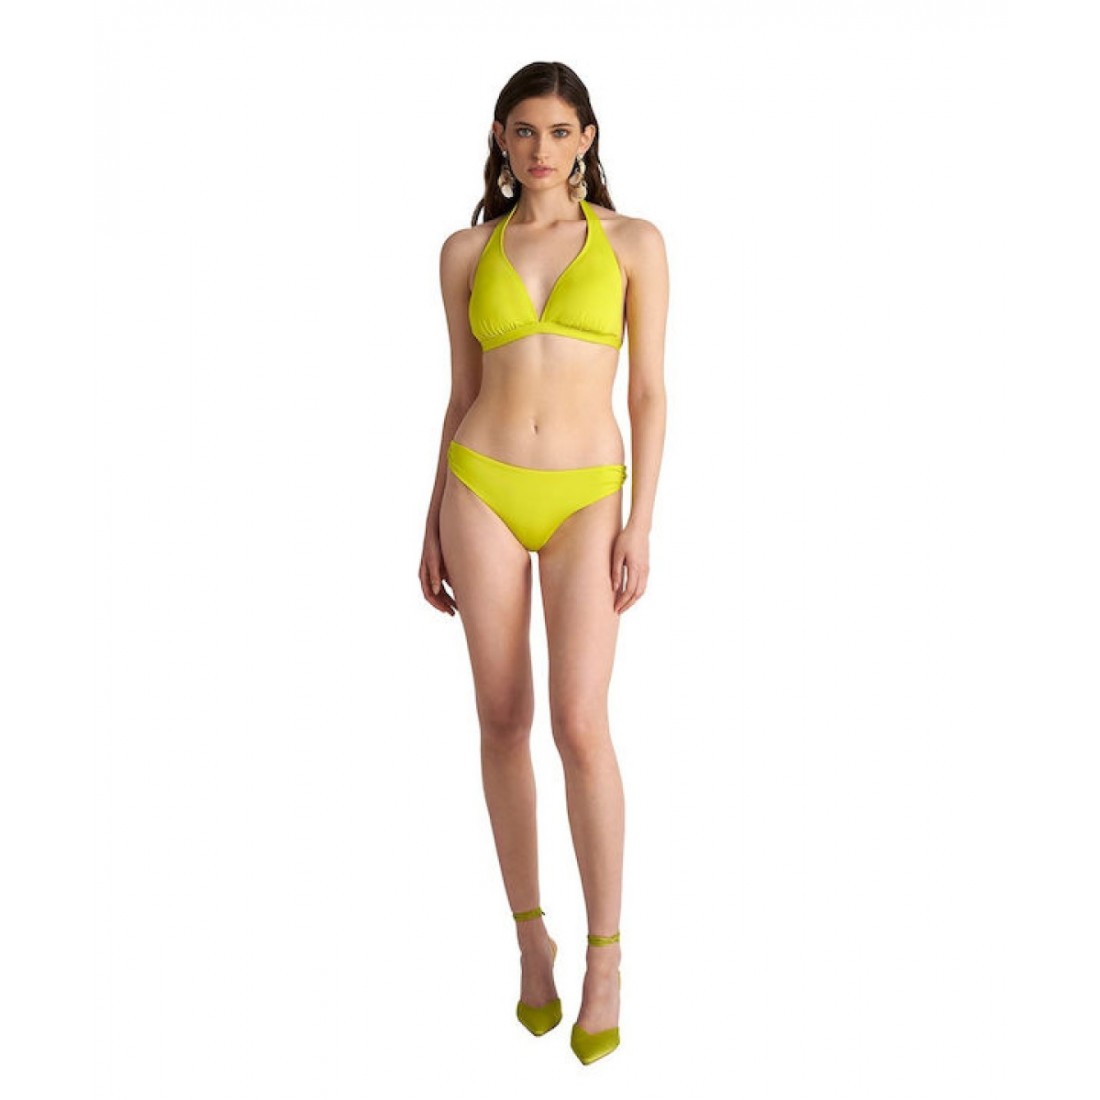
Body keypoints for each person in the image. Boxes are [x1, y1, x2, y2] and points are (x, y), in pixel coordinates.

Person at [418, 60, 668, 1065]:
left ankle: (605, 957)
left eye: (560, 132)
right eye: (523, 131)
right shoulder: (463, 250)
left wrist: (640, 522)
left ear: (586, 140)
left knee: (578, 722)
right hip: (479, 483)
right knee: (501, 719)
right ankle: (531, 939)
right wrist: (429, 519)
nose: (540, 150)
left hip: (585, 495)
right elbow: (458, 391)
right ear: (499, 137)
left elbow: (648, 392)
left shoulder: (634, 242)